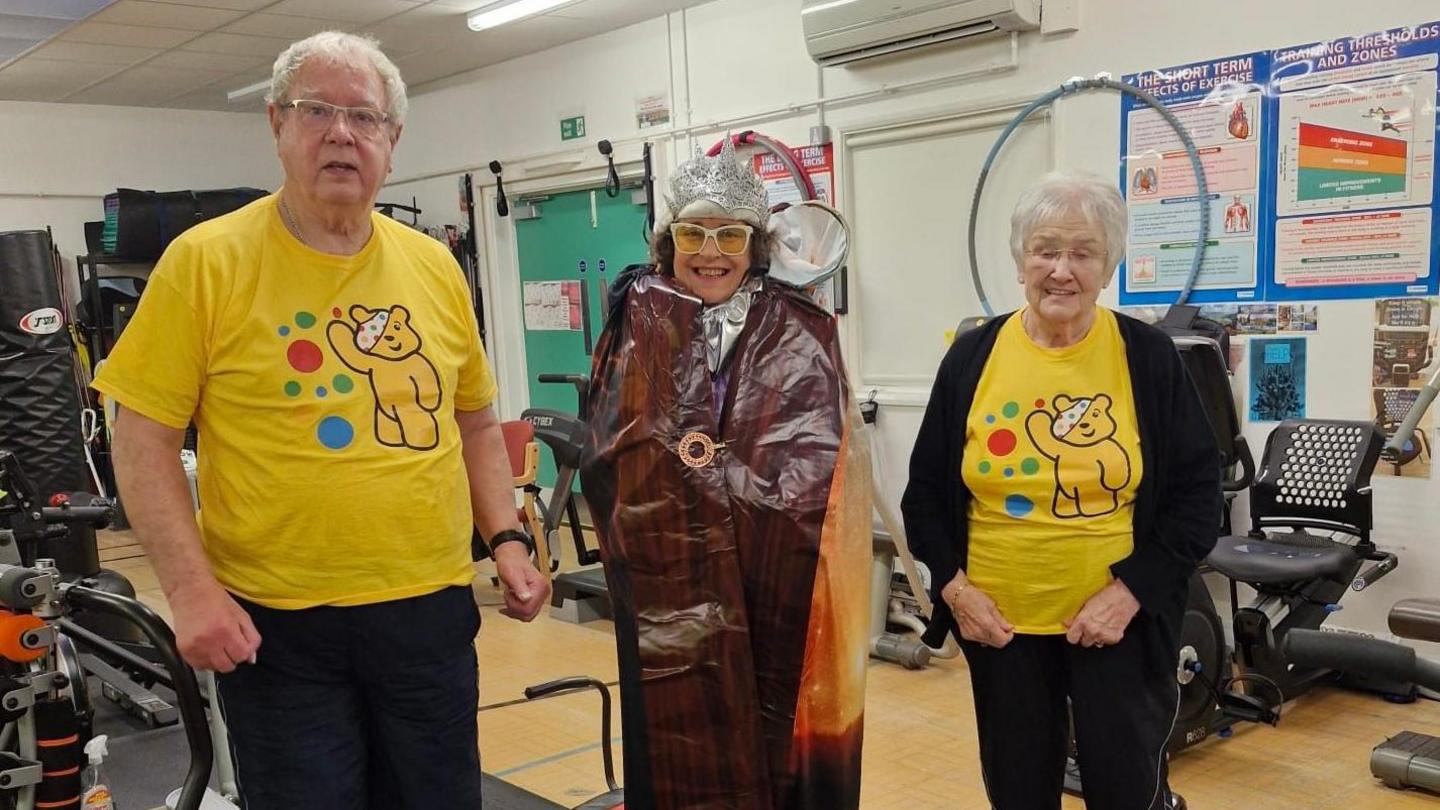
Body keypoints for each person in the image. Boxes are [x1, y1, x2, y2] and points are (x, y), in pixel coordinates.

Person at [93, 31, 549, 809]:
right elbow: (142, 437)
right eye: (316, 111)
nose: (342, 132)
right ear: (277, 125)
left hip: (427, 612)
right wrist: (191, 592)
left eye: (364, 117)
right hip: (277, 625)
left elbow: (474, 421)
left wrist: (505, 537)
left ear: (392, 140)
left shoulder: (434, 267)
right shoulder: (206, 263)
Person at [902, 170, 1220, 810]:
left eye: (1084, 252)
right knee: (1018, 791)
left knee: (1127, 790)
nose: (1062, 270)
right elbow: (924, 497)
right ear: (1021, 259)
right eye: (1046, 250)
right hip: (1001, 629)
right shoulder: (973, 357)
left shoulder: (1149, 357)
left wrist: (1129, 594)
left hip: (1118, 628)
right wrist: (956, 590)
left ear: (1109, 265)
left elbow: (1197, 498)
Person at [580, 139, 871, 809]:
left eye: (730, 234)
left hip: (776, 568)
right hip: (666, 568)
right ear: (668, 241)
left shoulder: (803, 328)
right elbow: (607, 444)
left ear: (755, 244)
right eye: (693, 232)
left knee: (777, 710)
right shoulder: (635, 321)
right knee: (675, 715)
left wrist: (735, 499)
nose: (710, 251)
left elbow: (826, 456)